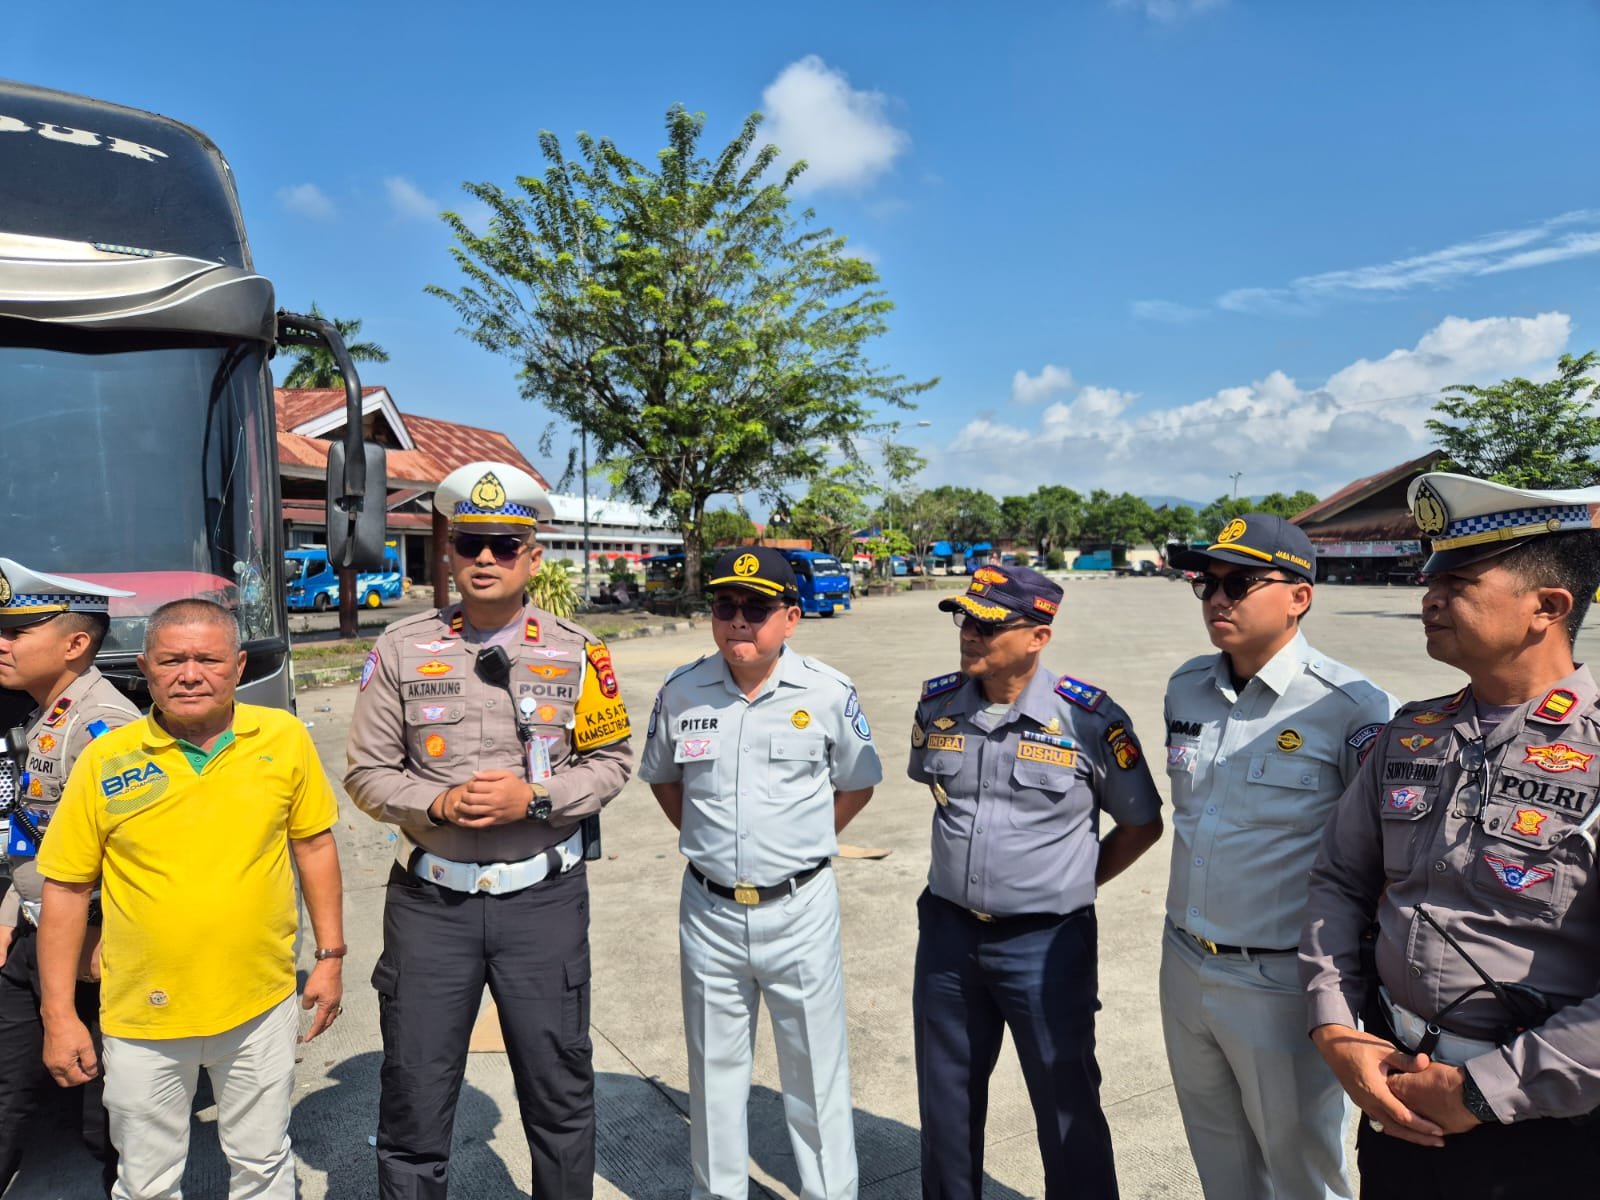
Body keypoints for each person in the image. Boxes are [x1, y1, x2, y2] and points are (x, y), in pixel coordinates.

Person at [1302, 471, 1600, 1198]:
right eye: (1428, 577)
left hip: (1541, 1128)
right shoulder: (1413, 733)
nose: (1428, 597)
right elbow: (1339, 882)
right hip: (1395, 1090)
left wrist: (1481, 1091)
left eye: (1458, 580)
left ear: (1547, 607)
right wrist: (1335, 1028)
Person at [346, 460, 634, 1200]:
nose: (484, 559)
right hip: (430, 905)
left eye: (504, 545)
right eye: (470, 542)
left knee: (559, 1093)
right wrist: (436, 806)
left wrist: (533, 801)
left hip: (542, 903)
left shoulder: (579, 652)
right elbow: (366, 773)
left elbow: (612, 764)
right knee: (413, 1093)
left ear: (534, 556)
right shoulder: (403, 648)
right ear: (448, 551)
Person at [36, 597, 345, 1200]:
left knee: (263, 1164)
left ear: (238, 666)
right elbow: (67, 889)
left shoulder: (281, 739)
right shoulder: (106, 759)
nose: (190, 673)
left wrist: (330, 956)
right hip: (141, 1016)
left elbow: (314, 845)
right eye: (172, 659)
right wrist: (59, 1014)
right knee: (146, 1181)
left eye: (208, 658)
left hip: (260, 1003)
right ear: (146, 668)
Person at [907, 565, 1164, 1200]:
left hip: (1047, 946)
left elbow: (1141, 824)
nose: (970, 634)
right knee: (945, 1101)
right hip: (947, 937)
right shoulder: (937, 704)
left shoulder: (1089, 719)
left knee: (1065, 1100)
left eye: (989, 624)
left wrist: (1076, 881)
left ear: (1038, 637)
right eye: (965, 619)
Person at [1160, 516, 1395, 1200]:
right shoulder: (1186, 688)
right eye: (1206, 584)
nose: (1217, 599)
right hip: (1184, 961)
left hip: (1280, 980)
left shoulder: (1350, 707)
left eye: (1239, 582)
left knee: (1301, 1172)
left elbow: (1382, 859)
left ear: (1299, 596)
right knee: (1220, 1162)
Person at [639, 547, 881, 1200]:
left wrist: (802, 846)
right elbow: (664, 779)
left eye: (756, 607)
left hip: (799, 911)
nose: (738, 621)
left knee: (815, 1076)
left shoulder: (828, 693)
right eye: (725, 606)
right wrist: (712, 842)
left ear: (791, 617)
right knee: (715, 1077)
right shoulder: (682, 690)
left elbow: (858, 782)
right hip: (710, 911)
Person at [0, 560, 138, 1195]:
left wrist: (102, 935)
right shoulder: (39, 715)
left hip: (92, 952)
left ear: (75, 644)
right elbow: (31, 835)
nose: (0, 644)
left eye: (15, 632)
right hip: (35, 936)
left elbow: (137, 855)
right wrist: (9, 911)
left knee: (109, 1121)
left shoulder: (102, 728)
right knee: (8, 1095)